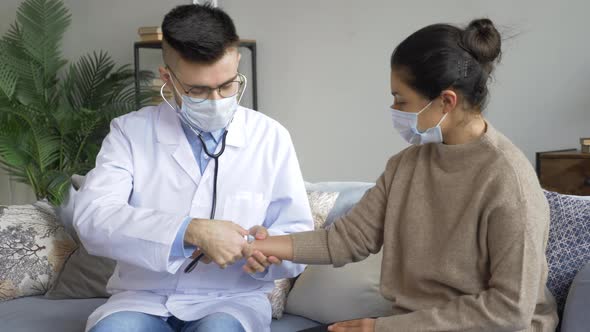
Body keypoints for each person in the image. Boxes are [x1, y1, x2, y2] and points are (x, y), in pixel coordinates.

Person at [247, 18, 559, 332]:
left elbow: (510, 310)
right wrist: (256, 244)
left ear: (446, 101)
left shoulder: (509, 182)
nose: (394, 109)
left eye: (401, 99)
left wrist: (381, 328)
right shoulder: (407, 165)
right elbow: (346, 240)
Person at [73, 4, 313, 332]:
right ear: (167, 78)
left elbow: (297, 235)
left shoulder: (270, 137)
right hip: (143, 296)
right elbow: (94, 219)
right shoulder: (129, 132)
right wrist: (191, 230)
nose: (216, 99)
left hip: (231, 298)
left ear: (237, 62)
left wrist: (269, 252)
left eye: (227, 85)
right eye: (198, 90)